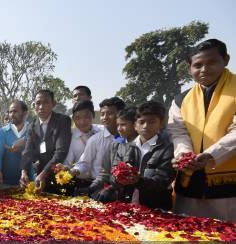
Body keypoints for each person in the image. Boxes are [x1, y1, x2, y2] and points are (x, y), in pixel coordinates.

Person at [167, 39, 235, 221]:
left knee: (228, 242)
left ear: (226, 59)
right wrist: (184, 156)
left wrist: (210, 155)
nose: (204, 69)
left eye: (211, 62)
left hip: (229, 187)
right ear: (189, 68)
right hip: (190, 183)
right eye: (198, 65)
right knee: (186, 239)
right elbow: (179, 132)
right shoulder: (181, 99)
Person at [93, 102, 175, 210]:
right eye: (142, 122)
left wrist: (138, 181)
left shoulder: (167, 149)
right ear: (135, 125)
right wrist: (119, 179)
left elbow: (163, 180)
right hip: (125, 205)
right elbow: (113, 174)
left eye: (152, 122)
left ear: (161, 124)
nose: (146, 126)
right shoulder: (123, 147)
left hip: (154, 207)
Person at [20, 90, 72, 192]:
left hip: (60, 176)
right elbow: (27, 152)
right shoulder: (32, 126)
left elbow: (60, 152)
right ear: (34, 105)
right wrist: (23, 171)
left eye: (46, 102)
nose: (41, 107)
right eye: (38, 103)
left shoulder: (62, 121)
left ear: (53, 104)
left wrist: (44, 173)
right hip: (40, 178)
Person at [88, 107, 138, 197]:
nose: (119, 129)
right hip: (119, 197)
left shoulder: (141, 147)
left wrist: (111, 187)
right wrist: (92, 187)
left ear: (135, 124)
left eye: (123, 125)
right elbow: (105, 173)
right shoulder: (115, 145)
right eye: (117, 125)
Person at [0, 101, 30, 187]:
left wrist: (24, 141)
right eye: (10, 112)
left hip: (28, 181)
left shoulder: (31, 130)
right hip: (6, 181)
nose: (12, 114)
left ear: (25, 113)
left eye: (15, 111)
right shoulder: (2, 132)